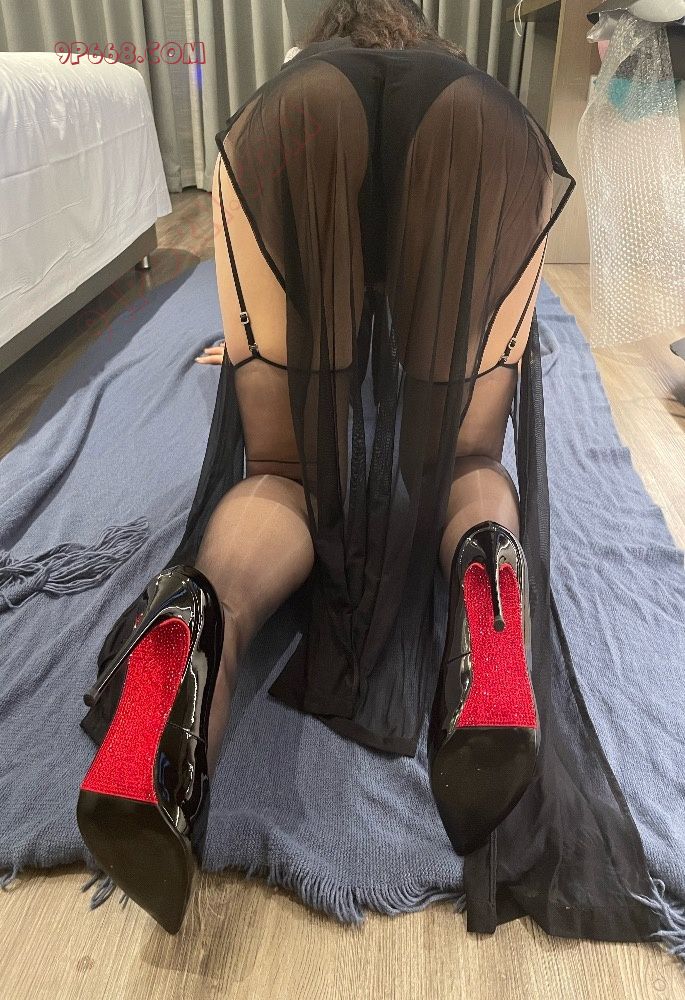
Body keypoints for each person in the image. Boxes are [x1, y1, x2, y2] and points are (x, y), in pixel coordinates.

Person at [76, 0, 662, 950]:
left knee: (280, 467)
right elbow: (442, 309)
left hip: (296, 126)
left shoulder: (300, 77)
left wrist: (258, 351)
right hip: (475, 130)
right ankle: (488, 589)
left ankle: (193, 633)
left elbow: (314, 301)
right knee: (469, 456)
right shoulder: (455, 74)